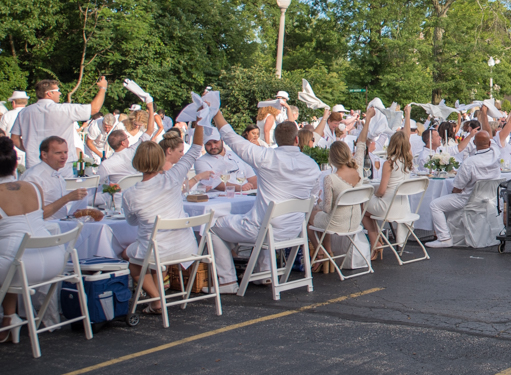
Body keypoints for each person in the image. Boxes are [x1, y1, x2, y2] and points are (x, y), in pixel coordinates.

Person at [207, 112, 321, 293]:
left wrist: (217, 113)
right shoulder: (311, 164)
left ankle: (226, 281)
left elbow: (232, 139)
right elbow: (315, 195)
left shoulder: (266, 157)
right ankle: (265, 271)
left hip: (265, 230)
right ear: (297, 140)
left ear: (275, 139)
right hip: (293, 230)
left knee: (211, 225)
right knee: (265, 218)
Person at [121, 130, 207, 314]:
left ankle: (156, 298)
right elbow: (196, 148)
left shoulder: (130, 194)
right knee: (151, 253)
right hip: (186, 247)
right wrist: (200, 119)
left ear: (136, 162)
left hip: (156, 250)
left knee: (131, 260)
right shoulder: (173, 177)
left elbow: (132, 222)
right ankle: (158, 295)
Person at [0, 137, 68, 343]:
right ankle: (9, 317)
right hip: (54, 263)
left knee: (9, 257)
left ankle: (8, 318)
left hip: (21, 267)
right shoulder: (33, 187)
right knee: (10, 257)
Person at [426, 130, 501, 249]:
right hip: (490, 198)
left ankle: (444, 237)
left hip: (469, 199)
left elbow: (458, 187)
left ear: (474, 143)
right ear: (490, 144)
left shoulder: (470, 162)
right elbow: (490, 141)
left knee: (435, 205)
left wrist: (453, 192)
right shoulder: (496, 154)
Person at [10, 77, 108, 160]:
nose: (60, 93)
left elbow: (14, 138)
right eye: (57, 91)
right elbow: (94, 109)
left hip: (34, 162)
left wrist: (30, 150)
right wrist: (103, 88)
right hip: (62, 165)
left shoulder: (24, 113)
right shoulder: (64, 109)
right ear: (49, 93)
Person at [308, 141, 364, 267]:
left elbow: (327, 209)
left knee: (309, 219)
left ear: (331, 158)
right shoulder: (358, 171)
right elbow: (361, 147)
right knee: (320, 217)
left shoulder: (330, 178)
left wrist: (318, 204)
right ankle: (328, 252)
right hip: (355, 221)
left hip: (338, 223)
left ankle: (322, 253)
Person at [363, 128, 413, 257]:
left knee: (363, 208)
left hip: (389, 206)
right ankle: (377, 242)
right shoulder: (408, 162)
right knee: (370, 210)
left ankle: (375, 243)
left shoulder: (390, 163)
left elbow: (382, 190)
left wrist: (373, 195)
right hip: (403, 207)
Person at [19, 136, 88, 219]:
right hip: (44, 228)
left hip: (60, 226)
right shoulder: (34, 177)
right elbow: (32, 215)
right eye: (58, 153)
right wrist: (68, 198)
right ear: (44, 154)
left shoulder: (57, 175)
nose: (64, 157)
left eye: (65, 152)